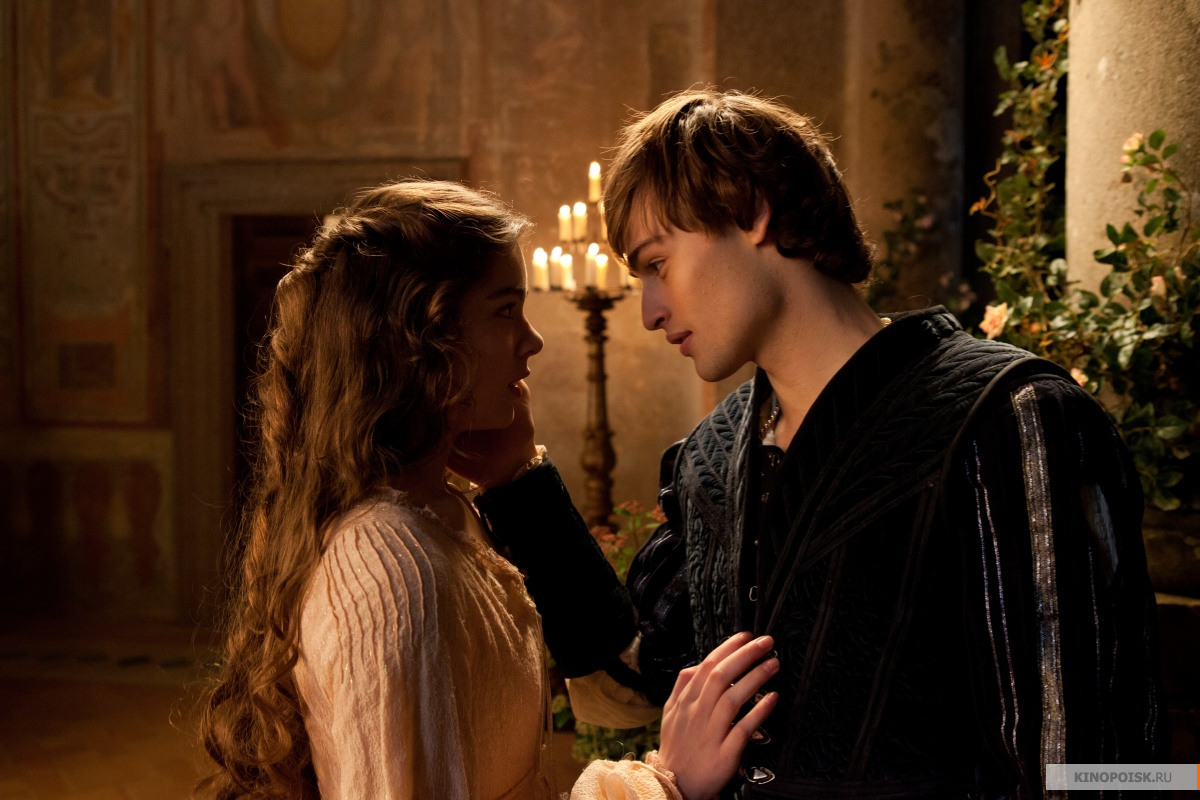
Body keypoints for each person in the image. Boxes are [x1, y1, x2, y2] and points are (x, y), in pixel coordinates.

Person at [471, 90, 1168, 798]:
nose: (649, 311)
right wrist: (515, 480)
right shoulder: (711, 458)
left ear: (750, 208)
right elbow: (635, 673)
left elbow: (1101, 768)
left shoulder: (1012, 417)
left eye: (657, 264)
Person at [196, 179, 780, 800]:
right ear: (421, 339)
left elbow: (594, 700)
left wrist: (515, 475)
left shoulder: (443, 513)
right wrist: (665, 782)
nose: (533, 341)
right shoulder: (386, 567)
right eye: (505, 310)